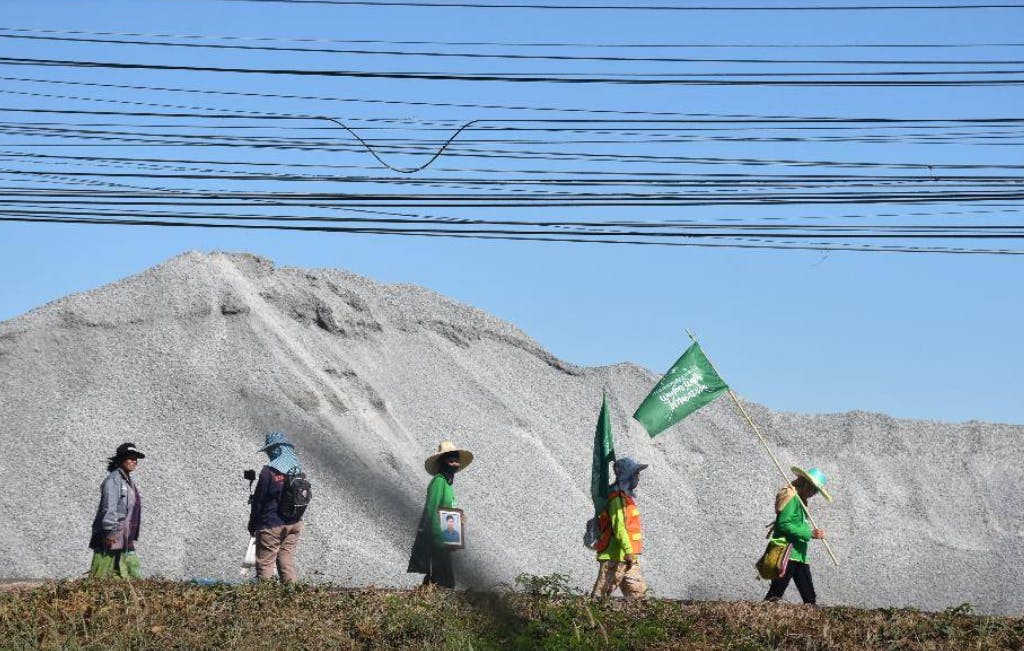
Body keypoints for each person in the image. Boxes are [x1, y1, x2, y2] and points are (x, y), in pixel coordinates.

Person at [407, 440, 473, 588]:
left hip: (445, 539)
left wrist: (458, 520)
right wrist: (439, 541)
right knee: (444, 580)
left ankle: (426, 596)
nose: (455, 464)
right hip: (437, 540)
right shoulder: (439, 482)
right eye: (451, 460)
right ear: (443, 462)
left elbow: (447, 511)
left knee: (441, 579)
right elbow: (432, 511)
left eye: (456, 461)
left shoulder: (448, 484)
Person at [764, 466, 833, 605]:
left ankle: (813, 617)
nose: (814, 494)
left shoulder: (801, 500)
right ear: (806, 484)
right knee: (774, 595)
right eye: (814, 489)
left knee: (809, 598)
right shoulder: (792, 499)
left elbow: (797, 524)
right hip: (786, 553)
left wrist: (814, 533)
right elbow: (783, 524)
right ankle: (760, 615)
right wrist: (810, 533)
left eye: (816, 491)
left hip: (799, 555)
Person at [247, 431, 305, 583]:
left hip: (271, 524)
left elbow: (259, 501)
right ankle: (293, 593)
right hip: (294, 523)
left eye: (270, 450)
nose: (269, 453)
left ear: (276, 450)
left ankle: (267, 595)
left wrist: (253, 524)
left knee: (265, 563)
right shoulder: (297, 471)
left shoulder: (269, 472)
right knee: (286, 559)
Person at [591, 457, 648, 599]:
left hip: (628, 556)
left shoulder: (625, 498)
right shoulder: (617, 499)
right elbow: (619, 528)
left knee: (638, 594)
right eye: (635, 474)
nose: (638, 478)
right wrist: (628, 551)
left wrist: (629, 553)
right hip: (614, 555)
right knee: (600, 595)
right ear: (627, 476)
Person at [88, 442, 145, 579]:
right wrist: (110, 532)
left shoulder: (128, 482)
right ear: (121, 459)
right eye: (130, 457)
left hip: (124, 538)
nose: (134, 461)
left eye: (135, 458)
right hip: (111, 538)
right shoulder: (113, 480)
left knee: (129, 576)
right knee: (101, 577)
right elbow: (109, 506)